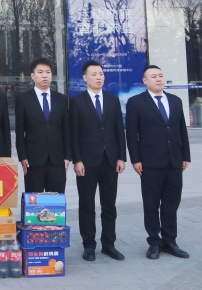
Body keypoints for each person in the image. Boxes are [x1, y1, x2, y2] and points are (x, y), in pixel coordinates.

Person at [126, 65, 191, 260]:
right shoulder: (136, 103)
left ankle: (170, 241)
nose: (158, 79)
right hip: (150, 162)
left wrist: (185, 156)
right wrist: (135, 159)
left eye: (161, 75)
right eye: (153, 76)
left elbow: (182, 130)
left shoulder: (175, 101)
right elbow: (131, 134)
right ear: (145, 81)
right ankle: (154, 242)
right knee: (151, 204)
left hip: (174, 161)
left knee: (172, 203)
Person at [70, 60, 126, 262]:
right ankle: (89, 245)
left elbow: (119, 130)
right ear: (85, 78)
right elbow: (73, 134)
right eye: (94, 74)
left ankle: (109, 244)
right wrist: (77, 160)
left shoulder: (112, 100)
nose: (98, 77)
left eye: (101, 73)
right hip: (86, 162)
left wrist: (121, 157)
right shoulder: (77, 102)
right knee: (87, 205)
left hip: (110, 160)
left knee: (109, 205)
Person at [15, 57, 70, 193]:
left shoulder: (61, 99)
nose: (44, 75)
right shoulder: (23, 99)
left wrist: (68, 156)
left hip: (57, 160)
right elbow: (19, 131)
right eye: (40, 72)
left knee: (56, 200)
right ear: (32, 76)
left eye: (48, 72)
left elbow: (66, 130)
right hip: (33, 161)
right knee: (34, 200)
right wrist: (22, 157)